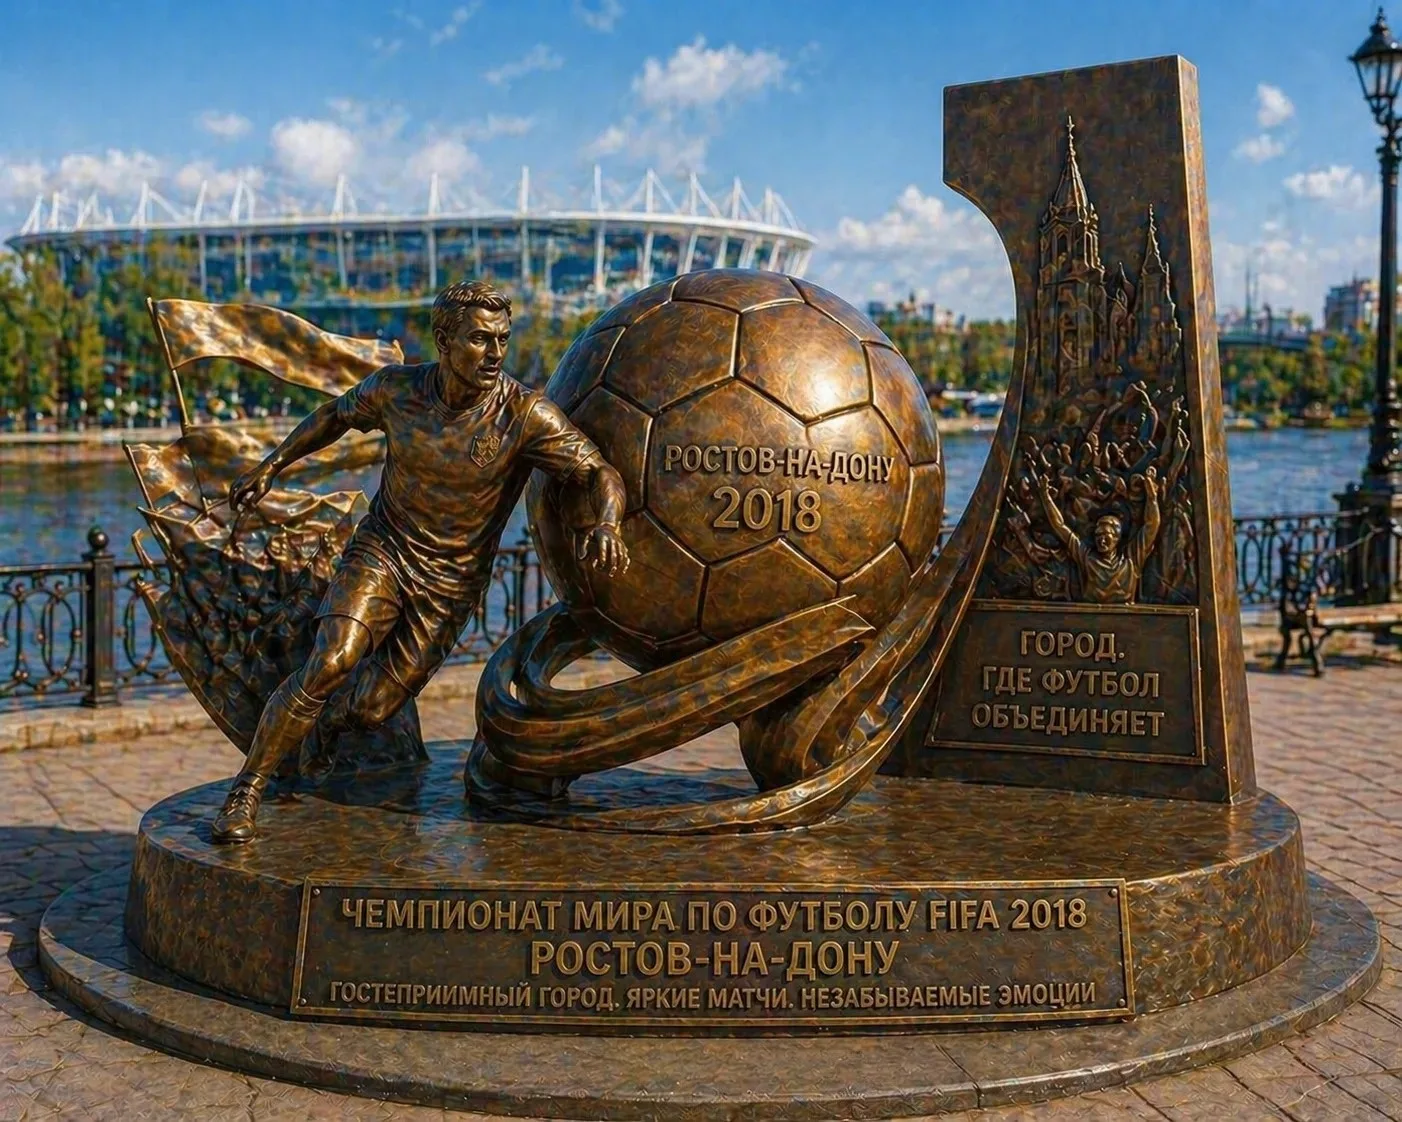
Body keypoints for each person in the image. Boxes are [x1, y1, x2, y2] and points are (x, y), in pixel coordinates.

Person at [213, 279, 630, 843]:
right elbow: (335, 415)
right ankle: (247, 789)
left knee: (372, 709)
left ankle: (327, 725)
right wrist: (272, 465)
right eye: (480, 339)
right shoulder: (396, 391)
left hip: (450, 585)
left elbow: (598, 471)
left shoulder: (524, 415)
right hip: (384, 550)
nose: (495, 353)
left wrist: (606, 522)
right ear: (444, 340)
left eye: (502, 339)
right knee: (331, 660)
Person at [1036, 466, 1161, 605]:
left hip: (1128, 615)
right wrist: (1045, 498)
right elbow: (1060, 526)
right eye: (1098, 535)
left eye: (1105, 535)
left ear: (1117, 537)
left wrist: (1152, 497)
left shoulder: (1131, 560)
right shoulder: (1087, 558)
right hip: (1087, 616)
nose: (1101, 540)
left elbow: (1152, 525)